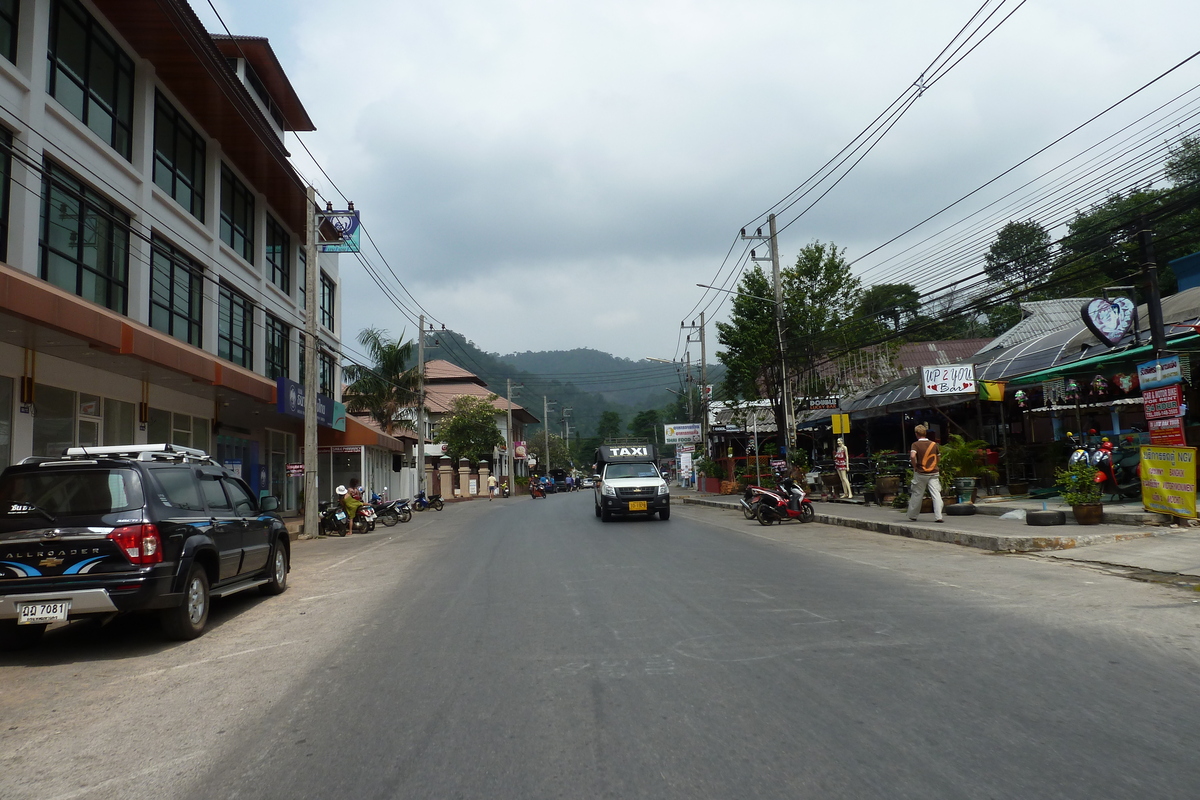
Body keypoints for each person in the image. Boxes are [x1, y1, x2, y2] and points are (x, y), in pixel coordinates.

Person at [906, 425, 944, 523]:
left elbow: (913, 456)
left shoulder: (915, 444)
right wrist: (934, 465)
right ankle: (938, 516)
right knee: (936, 494)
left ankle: (913, 515)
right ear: (925, 433)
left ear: (916, 434)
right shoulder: (934, 444)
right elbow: (938, 457)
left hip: (921, 473)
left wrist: (915, 466)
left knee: (917, 494)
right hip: (934, 472)